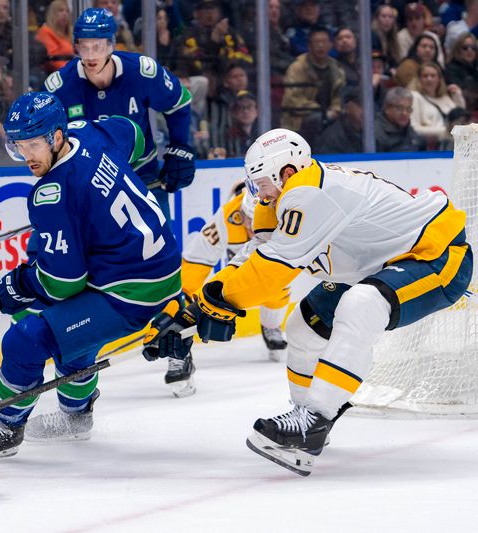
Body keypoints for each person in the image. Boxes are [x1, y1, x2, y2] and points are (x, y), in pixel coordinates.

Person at [160, 128, 472, 476]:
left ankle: (314, 421)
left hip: (437, 256)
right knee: (302, 326)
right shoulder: (280, 200)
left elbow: (270, 273)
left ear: (286, 172)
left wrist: (220, 304)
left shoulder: (309, 192)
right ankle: (307, 415)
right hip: (380, 263)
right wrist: (194, 309)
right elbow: (251, 259)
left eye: (260, 182)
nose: (257, 193)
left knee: (361, 303)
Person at [0, 92, 181, 461]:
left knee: (25, 339)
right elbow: (134, 134)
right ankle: (77, 418)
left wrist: (21, 284)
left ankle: (7, 428)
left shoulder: (54, 193)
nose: (27, 156)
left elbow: (64, 283)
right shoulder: (89, 133)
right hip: (157, 268)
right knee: (68, 332)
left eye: (33, 145)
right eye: (18, 146)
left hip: (130, 292)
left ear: (57, 137)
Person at [44, 7, 195, 217]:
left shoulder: (141, 72)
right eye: (84, 47)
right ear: (76, 46)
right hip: (89, 186)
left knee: (161, 248)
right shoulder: (60, 87)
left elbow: (179, 101)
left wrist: (180, 147)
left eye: (97, 46)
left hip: (142, 178)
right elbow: (47, 138)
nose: (90, 55)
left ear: (111, 44)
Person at [152, 180, 289, 397]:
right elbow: (195, 262)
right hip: (236, 273)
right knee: (184, 296)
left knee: (279, 287)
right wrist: (182, 305)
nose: (253, 228)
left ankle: (271, 325)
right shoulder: (226, 219)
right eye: (249, 220)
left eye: (258, 221)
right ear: (241, 214)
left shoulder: (286, 215)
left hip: (270, 269)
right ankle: (178, 352)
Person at [374, 86, 425, 152]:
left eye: (408, 109)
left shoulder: (409, 131)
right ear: (387, 109)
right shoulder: (375, 134)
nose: (405, 113)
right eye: (399, 108)